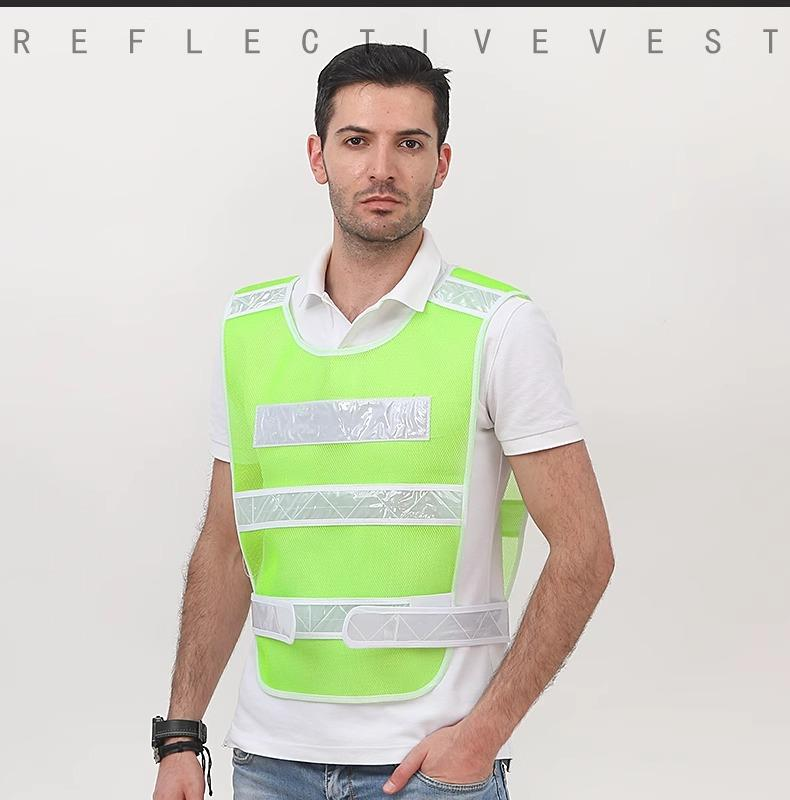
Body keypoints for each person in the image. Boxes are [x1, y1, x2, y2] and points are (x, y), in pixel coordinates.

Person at [151, 42, 614, 800]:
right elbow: (225, 544)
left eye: (410, 144)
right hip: (267, 761)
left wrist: (482, 736)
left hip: (428, 770)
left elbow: (586, 550)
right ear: (318, 156)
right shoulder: (247, 330)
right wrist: (180, 734)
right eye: (356, 140)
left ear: (442, 163)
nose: (381, 169)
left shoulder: (500, 328)